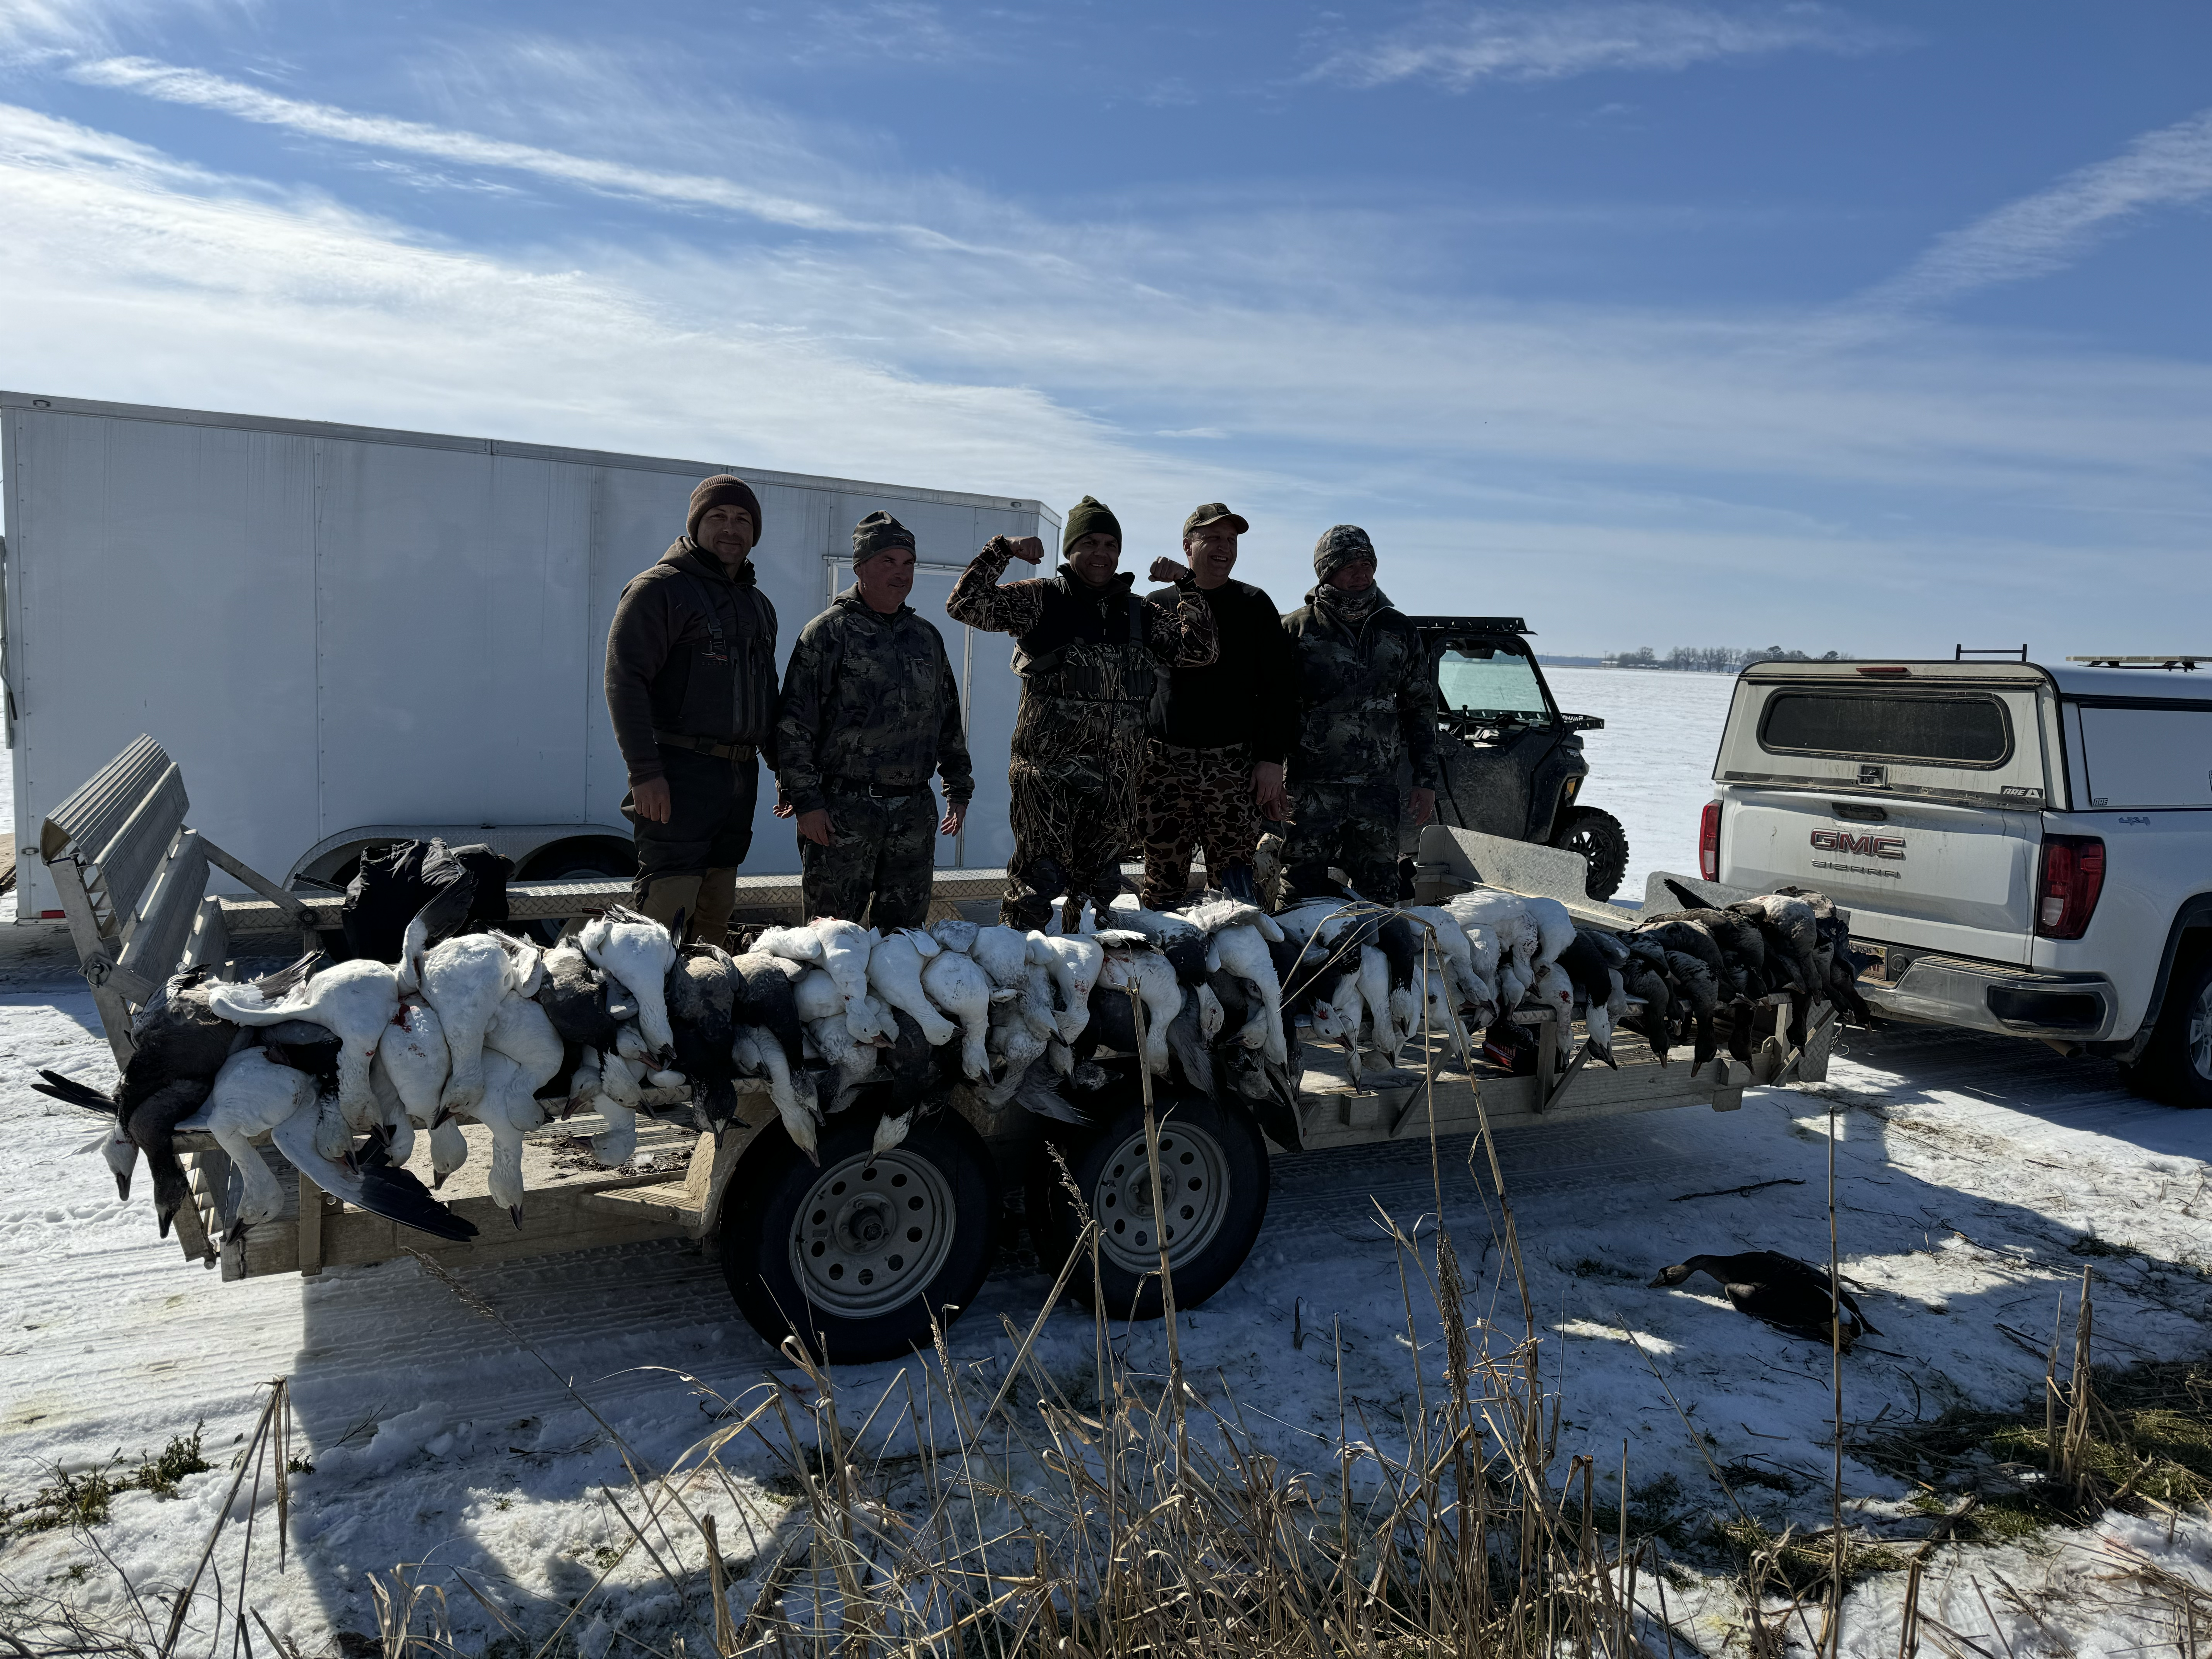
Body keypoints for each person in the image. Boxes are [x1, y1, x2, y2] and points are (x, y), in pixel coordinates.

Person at [946, 496, 1218, 929]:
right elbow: (965, 605)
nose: (1102, 554)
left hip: (1116, 784)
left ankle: (1089, 984)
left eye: (1111, 544)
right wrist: (1002, 550)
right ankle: (1022, 978)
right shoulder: (1041, 600)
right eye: (1090, 542)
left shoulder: (1138, 612)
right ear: (1071, 551)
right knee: (1038, 887)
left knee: (1100, 896)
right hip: (1048, 782)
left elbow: (1200, 651)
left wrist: (1188, 585)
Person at [602, 473, 781, 943]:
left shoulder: (758, 604)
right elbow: (625, 682)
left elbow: (768, 696)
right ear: (696, 524)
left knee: (713, 920)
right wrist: (644, 772)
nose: (731, 528)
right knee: (665, 920)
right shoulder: (659, 590)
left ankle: (703, 1011)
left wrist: (784, 772)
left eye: (743, 519)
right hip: (677, 776)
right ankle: (648, 1013)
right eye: (718, 516)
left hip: (738, 781)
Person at [773, 512, 972, 930]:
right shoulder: (828, 633)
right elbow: (794, 726)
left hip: (913, 811)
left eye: (908, 564)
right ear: (861, 567)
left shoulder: (926, 637)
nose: (901, 574)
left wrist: (957, 788)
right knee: (833, 939)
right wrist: (807, 802)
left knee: (903, 939)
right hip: (844, 810)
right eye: (888, 562)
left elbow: (948, 717)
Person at [1136, 503, 1296, 908]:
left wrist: (1271, 760)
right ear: (1189, 545)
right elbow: (1135, 684)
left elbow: (1279, 689)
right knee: (1161, 887)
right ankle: (1166, 965)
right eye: (1213, 538)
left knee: (1236, 891)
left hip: (1233, 766)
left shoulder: (1254, 604)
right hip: (1164, 767)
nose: (1225, 547)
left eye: (1232, 539)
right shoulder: (1157, 603)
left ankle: (1237, 968)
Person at [1278, 524, 1439, 903]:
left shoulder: (1399, 631)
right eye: (1349, 565)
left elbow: (1420, 707)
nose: (1361, 573)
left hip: (1376, 792)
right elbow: (1272, 710)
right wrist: (1268, 771)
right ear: (1326, 571)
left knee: (1382, 894)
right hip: (1311, 791)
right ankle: (1305, 962)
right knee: (1297, 891)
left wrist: (1426, 779)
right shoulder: (1295, 630)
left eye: (1367, 563)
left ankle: (1378, 961)